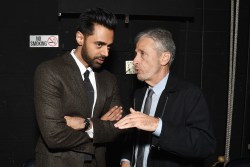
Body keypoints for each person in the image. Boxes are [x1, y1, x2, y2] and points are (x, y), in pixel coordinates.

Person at [34, 7, 124, 167]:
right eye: (99, 44)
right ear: (80, 38)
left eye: (109, 46)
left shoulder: (109, 79)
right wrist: (100, 125)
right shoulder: (50, 71)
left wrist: (87, 124)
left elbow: (117, 128)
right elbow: (53, 136)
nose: (106, 53)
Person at [114, 28, 216, 167]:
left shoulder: (190, 94)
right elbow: (132, 138)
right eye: (135, 54)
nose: (135, 60)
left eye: (142, 54)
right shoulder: (138, 94)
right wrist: (126, 160)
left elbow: (204, 145)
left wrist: (157, 125)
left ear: (164, 58)